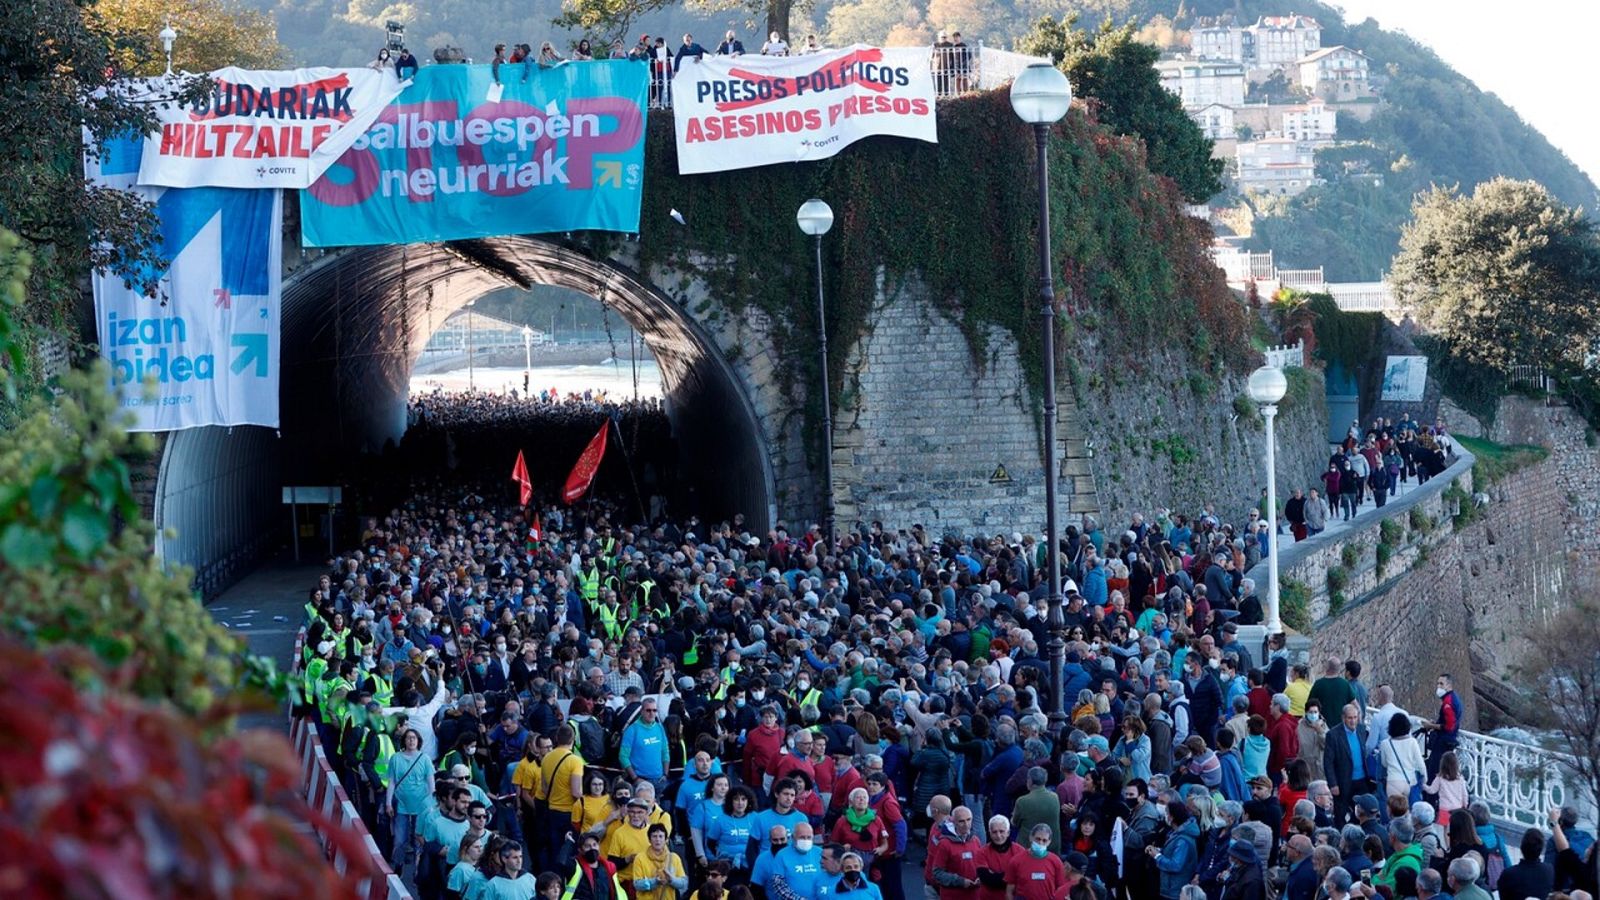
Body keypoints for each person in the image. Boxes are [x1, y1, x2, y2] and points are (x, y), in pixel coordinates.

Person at [388, 728, 435, 873]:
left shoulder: (424, 758)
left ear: (418, 740)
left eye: (414, 738)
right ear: (404, 741)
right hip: (401, 805)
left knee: (418, 840)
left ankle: (417, 870)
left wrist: (431, 805)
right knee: (400, 840)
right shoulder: (395, 758)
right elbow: (391, 782)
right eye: (408, 738)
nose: (411, 740)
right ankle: (398, 865)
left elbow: (430, 783)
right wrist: (388, 803)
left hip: (421, 806)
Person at [1322, 704, 1370, 824]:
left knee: (1362, 813)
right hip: (1343, 782)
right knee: (1340, 814)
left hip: (1362, 780)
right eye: (1350, 718)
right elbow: (1328, 762)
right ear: (1343, 718)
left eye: (1355, 717)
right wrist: (1333, 784)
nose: (1353, 721)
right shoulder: (1333, 735)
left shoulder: (1362, 730)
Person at [1150, 801, 1199, 900]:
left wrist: (1157, 856)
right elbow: (1172, 852)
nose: (1165, 816)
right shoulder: (1175, 834)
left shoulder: (1183, 840)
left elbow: (1176, 865)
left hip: (1175, 890)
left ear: (1171, 817)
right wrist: (1158, 851)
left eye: (1166, 813)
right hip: (1170, 887)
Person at [1003, 824, 1066, 900]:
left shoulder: (1056, 862)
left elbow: (1061, 889)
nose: (1040, 843)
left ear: (1049, 842)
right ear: (1031, 838)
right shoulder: (1016, 861)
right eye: (1038, 839)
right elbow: (1009, 891)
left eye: (1044, 840)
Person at [1423, 750, 1467, 824]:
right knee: (1456, 828)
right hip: (1458, 808)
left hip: (1445, 809)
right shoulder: (1460, 778)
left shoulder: (1440, 778)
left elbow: (1432, 790)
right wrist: (1465, 804)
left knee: (1445, 830)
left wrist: (1423, 786)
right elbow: (1464, 794)